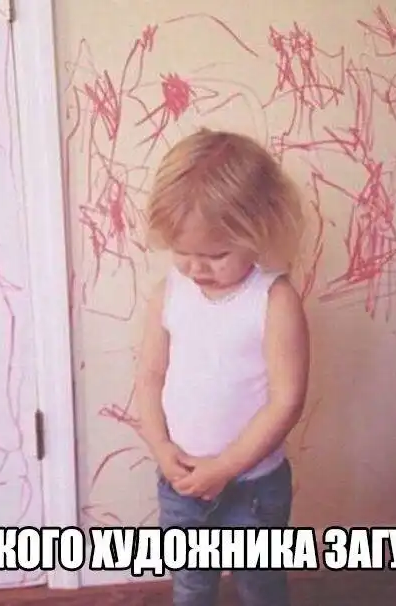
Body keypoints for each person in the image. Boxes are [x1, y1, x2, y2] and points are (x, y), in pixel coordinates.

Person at [135, 127, 311, 606]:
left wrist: (226, 467)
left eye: (215, 255)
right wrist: (161, 448)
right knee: (191, 587)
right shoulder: (169, 294)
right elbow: (150, 378)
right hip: (183, 483)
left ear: (258, 234)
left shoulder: (274, 300)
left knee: (260, 588)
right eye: (183, 253)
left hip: (253, 489)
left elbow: (287, 401)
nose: (197, 268)